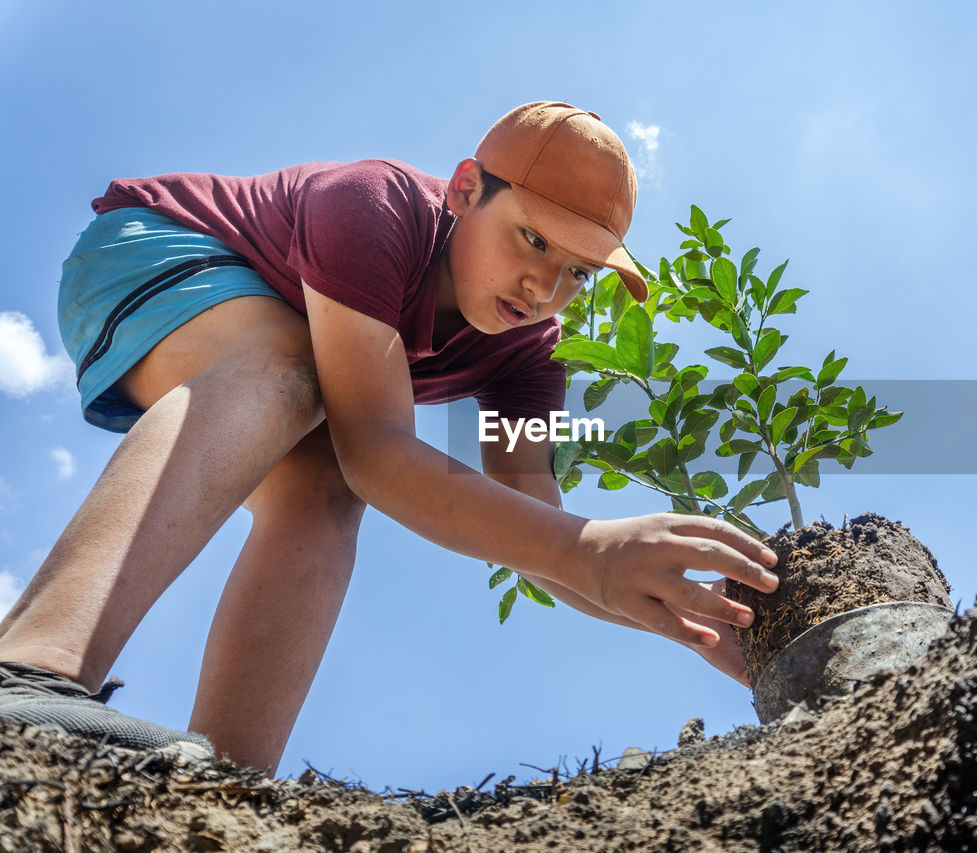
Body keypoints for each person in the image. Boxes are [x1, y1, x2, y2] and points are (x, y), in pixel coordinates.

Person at [0, 102, 778, 775]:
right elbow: (379, 449)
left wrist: (689, 615)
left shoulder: (535, 358)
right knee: (299, 383)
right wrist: (589, 552)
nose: (545, 289)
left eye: (579, 273)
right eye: (533, 240)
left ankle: (224, 777)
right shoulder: (369, 204)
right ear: (465, 188)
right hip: (154, 250)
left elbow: (540, 524)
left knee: (326, 484)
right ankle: (33, 668)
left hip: (279, 346)